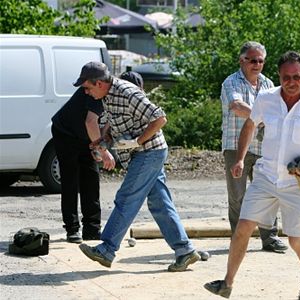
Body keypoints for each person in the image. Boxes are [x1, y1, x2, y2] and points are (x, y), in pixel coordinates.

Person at [205, 51, 300, 299]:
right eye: (286, 77)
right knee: (243, 227)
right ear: (279, 76)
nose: (291, 82)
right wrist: (239, 158)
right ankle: (227, 283)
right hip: (266, 177)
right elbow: (250, 125)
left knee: (296, 240)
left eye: (296, 77)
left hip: (298, 183)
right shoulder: (266, 98)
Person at [75, 62, 200, 272]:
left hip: (149, 152)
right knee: (160, 203)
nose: (86, 93)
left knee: (127, 198)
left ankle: (107, 249)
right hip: (143, 153)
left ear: (99, 83)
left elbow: (160, 118)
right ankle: (185, 250)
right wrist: (102, 143)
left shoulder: (127, 92)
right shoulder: (106, 96)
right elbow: (114, 127)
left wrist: (138, 141)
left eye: (87, 88)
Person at [221, 41, 287, 253]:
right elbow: (237, 106)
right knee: (237, 195)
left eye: (260, 61)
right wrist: (263, 117)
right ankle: (239, 239)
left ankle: (270, 238)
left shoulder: (268, 84)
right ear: (242, 61)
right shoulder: (230, 82)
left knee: (268, 192)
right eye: (252, 60)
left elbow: (279, 111)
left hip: (264, 147)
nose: (256, 64)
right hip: (234, 147)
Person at [51, 82, 115, 243]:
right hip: (65, 133)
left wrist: (98, 148)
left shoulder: (117, 96)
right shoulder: (97, 91)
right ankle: (72, 229)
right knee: (70, 180)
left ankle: (92, 229)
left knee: (91, 180)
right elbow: (90, 121)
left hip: (87, 136)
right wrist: (102, 151)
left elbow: (106, 124)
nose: (86, 90)